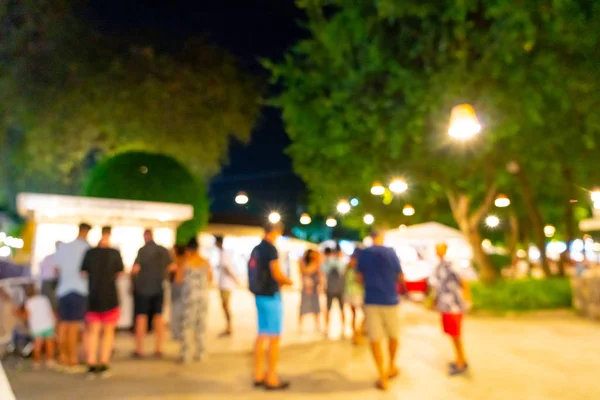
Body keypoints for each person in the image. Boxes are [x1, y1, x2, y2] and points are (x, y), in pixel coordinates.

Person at [356, 230, 404, 391]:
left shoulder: (364, 253)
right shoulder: (391, 253)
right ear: (382, 237)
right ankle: (391, 365)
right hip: (390, 299)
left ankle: (382, 375)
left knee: (375, 338)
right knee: (393, 335)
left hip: (371, 299)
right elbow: (400, 276)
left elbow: (358, 277)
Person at [249, 222, 292, 391]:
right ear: (275, 232)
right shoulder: (271, 249)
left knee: (262, 334)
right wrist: (289, 281)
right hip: (271, 295)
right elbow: (276, 272)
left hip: (259, 295)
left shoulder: (256, 248)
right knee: (274, 337)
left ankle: (258, 374)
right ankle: (271, 378)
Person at [80, 226, 124, 378]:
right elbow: (120, 273)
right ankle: (104, 363)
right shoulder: (115, 253)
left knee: (93, 331)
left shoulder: (90, 253)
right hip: (111, 297)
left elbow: (83, 273)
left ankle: (91, 364)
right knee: (108, 332)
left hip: (93, 297)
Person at [429, 243, 471, 376]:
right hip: (445, 305)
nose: (438, 252)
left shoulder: (453, 264)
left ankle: (461, 362)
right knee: (452, 334)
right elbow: (438, 285)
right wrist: (434, 299)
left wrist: (467, 300)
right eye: (436, 250)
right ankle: (459, 359)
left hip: (454, 305)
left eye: (440, 249)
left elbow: (464, 282)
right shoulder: (439, 266)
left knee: (456, 334)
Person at [55, 222, 91, 372]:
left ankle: (62, 357)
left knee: (63, 325)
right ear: (87, 232)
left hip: (63, 289)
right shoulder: (87, 248)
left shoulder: (64, 247)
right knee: (74, 326)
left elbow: (56, 268)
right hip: (79, 289)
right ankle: (72, 359)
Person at [131, 229, 172, 358]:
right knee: (159, 317)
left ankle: (140, 349)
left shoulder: (142, 250)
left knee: (141, 317)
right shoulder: (162, 250)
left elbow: (135, 269)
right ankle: (159, 348)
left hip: (143, 289)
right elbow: (172, 267)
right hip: (158, 287)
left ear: (145, 236)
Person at [180, 238, 213, 363]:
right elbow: (210, 278)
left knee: (187, 325)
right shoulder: (205, 262)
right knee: (201, 325)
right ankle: (201, 353)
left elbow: (178, 279)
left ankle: (186, 354)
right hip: (203, 297)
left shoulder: (186, 262)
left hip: (190, 298)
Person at [18, 284, 56, 370]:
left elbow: (27, 315)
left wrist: (17, 313)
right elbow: (51, 311)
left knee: (37, 345)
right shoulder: (44, 299)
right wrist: (54, 321)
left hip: (36, 326)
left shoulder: (28, 302)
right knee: (49, 344)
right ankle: (50, 360)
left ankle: (37, 362)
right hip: (48, 324)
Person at [215, 235, 238, 337]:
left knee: (226, 305)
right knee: (224, 305)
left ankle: (229, 327)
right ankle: (228, 326)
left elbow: (227, 268)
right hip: (222, 283)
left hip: (226, 284)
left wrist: (234, 279)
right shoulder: (220, 253)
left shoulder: (224, 253)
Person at [324, 244, 346, 338]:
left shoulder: (329, 262)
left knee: (329, 309)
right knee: (340, 309)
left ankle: (327, 328)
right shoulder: (340, 263)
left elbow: (324, 271)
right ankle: (341, 328)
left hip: (331, 288)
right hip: (338, 289)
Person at [298, 249, 322, 332]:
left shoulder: (317, 263)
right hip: (306, 287)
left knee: (316, 306)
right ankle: (300, 326)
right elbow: (304, 271)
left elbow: (320, 274)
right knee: (303, 306)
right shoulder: (303, 262)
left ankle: (317, 325)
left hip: (314, 287)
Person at [345, 248, 365, 344]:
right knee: (365, 314)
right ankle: (357, 333)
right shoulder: (358, 268)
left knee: (353, 315)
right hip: (358, 293)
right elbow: (359, 280)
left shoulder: (347, 268)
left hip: (349, 293)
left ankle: (356, 333)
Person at [168, 245, 187, 341]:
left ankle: (178, 332)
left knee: (176, 310)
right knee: (180, 310)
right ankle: (179, 332)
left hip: (177, 288)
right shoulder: (185, 261)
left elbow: (176, 275)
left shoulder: (179, 261)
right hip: (181, 288)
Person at [39, 241, 62, 314]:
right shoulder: (58, 257)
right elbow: (58, 271)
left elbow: (41, 269)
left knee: (46, 305)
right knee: (53, 305)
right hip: (52, 283)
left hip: (45, 282)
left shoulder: (48, 257)